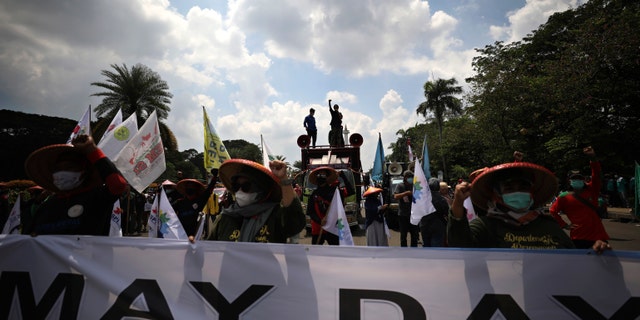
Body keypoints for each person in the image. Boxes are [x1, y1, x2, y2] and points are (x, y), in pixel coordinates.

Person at [447, 160, 611, 254]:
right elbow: (459, 244)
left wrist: (596, 250)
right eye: (510, 189)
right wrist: (457, 204)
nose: (518, 192)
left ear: (532, 193)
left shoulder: (548, 225)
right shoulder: (485, 226)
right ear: (496, 195)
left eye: (523, 187)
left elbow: (574, 260)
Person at [22, 134, 128, 236]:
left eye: (68, 168)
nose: (61, 173)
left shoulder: (97, 198)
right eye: (57, 170)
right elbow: (28, 239)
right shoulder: (46, 206)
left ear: (84, 172)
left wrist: (91, 149)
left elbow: (118, 184)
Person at [207, 159, 305, 243]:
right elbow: (209, 249)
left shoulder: (274, 215)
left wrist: (284, 179)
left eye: (246, 186)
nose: (240, 191)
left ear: (260, 189)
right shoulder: (225, 217)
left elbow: (294, 224)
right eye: (236, 186)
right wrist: (194, 245)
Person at [549, 146, 610, 249]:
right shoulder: (564, 197)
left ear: (583, 179)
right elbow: (552, 211)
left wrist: (592, 157)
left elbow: (596, 173)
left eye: (579, 178)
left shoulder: (592, 189)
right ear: (569, 181)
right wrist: (564, 225)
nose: (577, 180)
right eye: (574, 178)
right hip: (578, 237)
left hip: (598, 236)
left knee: (605, 263)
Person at [307, 166, 354, 245]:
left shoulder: (335, 191)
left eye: (323, 175)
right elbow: (310, 212)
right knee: (315, 253)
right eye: (318, 175)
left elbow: (350, 191)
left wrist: (343, 176)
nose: (320, 177)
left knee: (336, 252)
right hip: (318, 228)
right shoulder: (313, 195)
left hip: (333, 228)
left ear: (327, 177)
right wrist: (319, 221)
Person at [172, 173, 217, 239]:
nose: (190, 188)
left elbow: (208, 191)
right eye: (188, 187)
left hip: (194, 235)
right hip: (179, 233)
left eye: (192, 187)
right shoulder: (179, 202)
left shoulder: (199, 201)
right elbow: (167, 211)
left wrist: (214, 177)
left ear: (196, 189)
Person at [419, 178, 450, 247]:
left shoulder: (422, 198)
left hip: (424, 225)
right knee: (436, 248)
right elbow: (446, 212)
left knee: (427, 245)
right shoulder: (441, 199)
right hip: (438, 226)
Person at [393, 170, 420, 247]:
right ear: (405, 178)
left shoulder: (415, 185)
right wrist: (406, 193)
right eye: (409, 177)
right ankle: (404, 251)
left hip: (414, 214)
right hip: (403, 215)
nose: (410, 178)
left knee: (414, 235)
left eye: (412, 177)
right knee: (403, 235)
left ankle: (413, 251)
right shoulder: (400, 186)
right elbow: (395, 196)